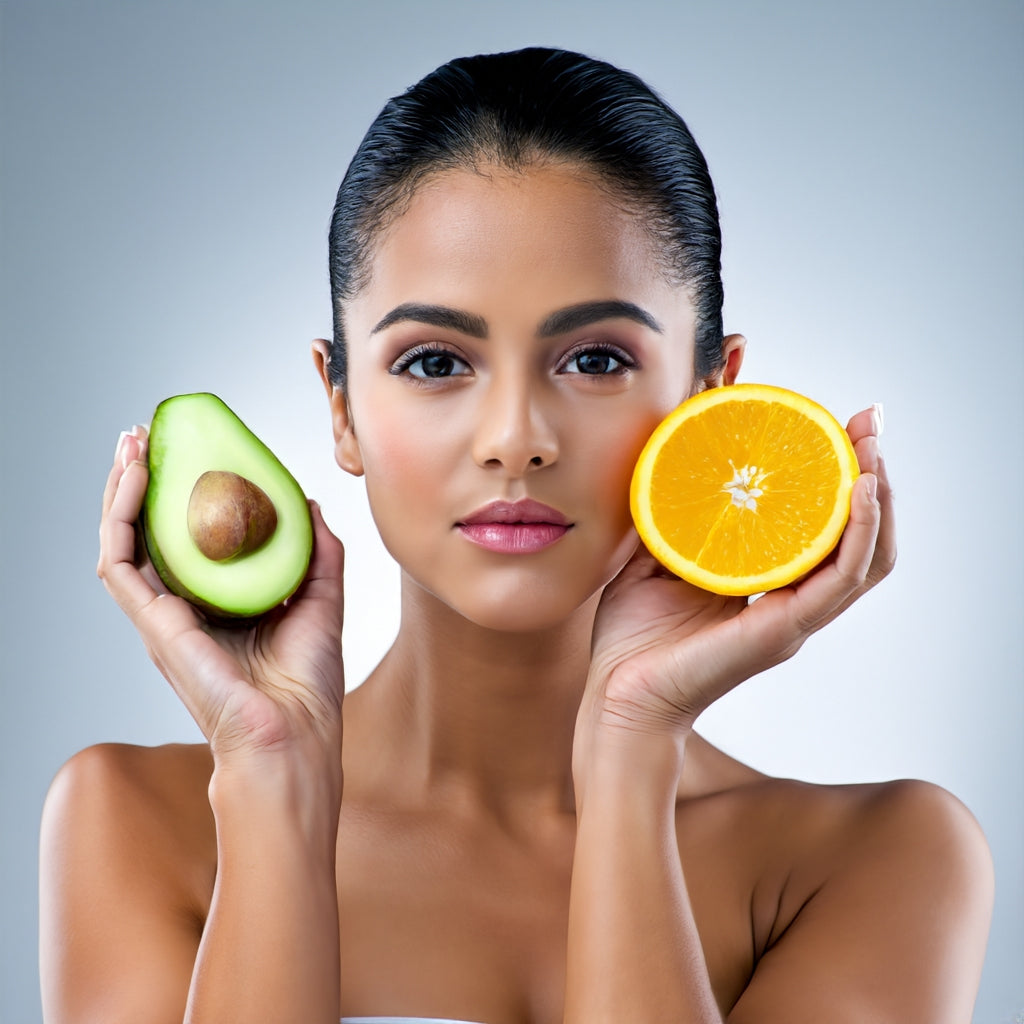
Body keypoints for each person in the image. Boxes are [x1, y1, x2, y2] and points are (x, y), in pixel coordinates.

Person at [40, 47, 992, 1024]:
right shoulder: (134, 820)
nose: (514, 440)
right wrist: (273, 778)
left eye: (591, 357)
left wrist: (630, 749)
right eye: (432, 361)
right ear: (340, 409)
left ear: (714, 397)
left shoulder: (878, 858)